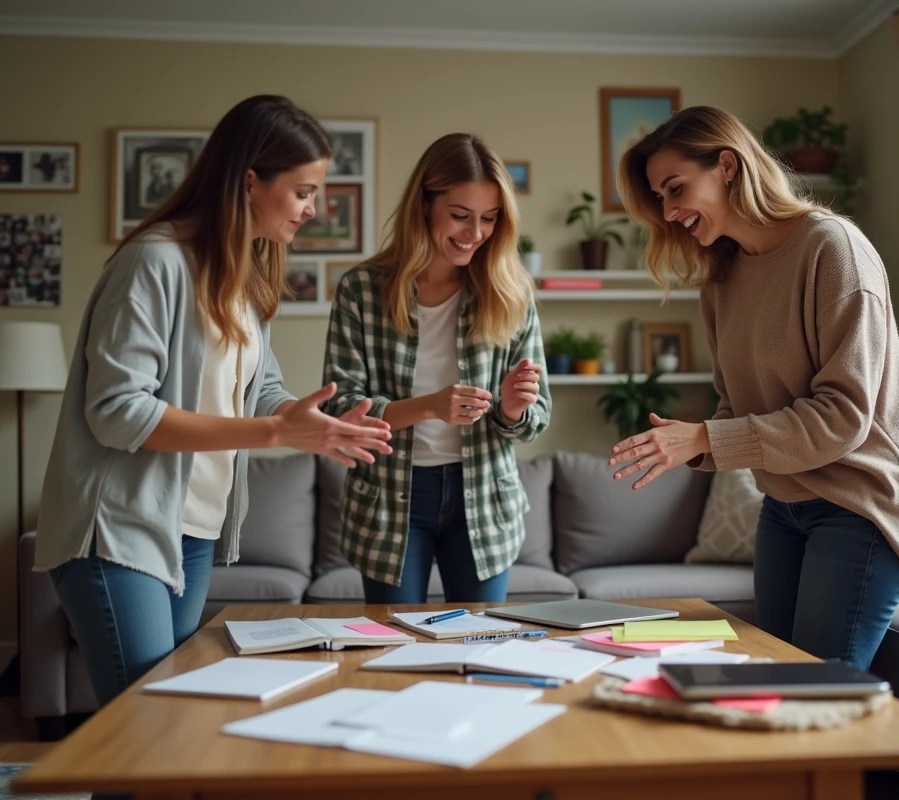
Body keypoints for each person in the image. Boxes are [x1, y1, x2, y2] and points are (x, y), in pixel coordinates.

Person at [33, 95, 393, 708]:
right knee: (144, 726)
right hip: (120, 529)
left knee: (160, 731)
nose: (313, 208)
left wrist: (315, 422)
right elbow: (120, 411)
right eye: (304, 191)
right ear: (251, 180)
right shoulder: (153, 262)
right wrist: (277, 435)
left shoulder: (243, 279)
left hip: (194, 532)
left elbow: (266, 392)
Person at [607, 106, 899, 671]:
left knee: (812, 693)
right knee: (773, 679)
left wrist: (706, 437)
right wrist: (691, 440)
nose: (668, 213)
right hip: (784, 504)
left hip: (861, 503)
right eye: (660, 199)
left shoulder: (832, 248)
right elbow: (735, 407)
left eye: (676, 189)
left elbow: (843, 416)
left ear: (726, 166)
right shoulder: (721, 280)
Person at [323, 132, 550, 604]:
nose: (475, 233)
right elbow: (342, 410)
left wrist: (511, 409)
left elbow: (535, 417)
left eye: (489, 219)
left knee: (482, 646)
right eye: (460, 216)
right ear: (424, 205)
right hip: (390, 499)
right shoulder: (361, 290)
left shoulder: (510, 293)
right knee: (390, 651)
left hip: (483, 498)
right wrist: (429, 406)